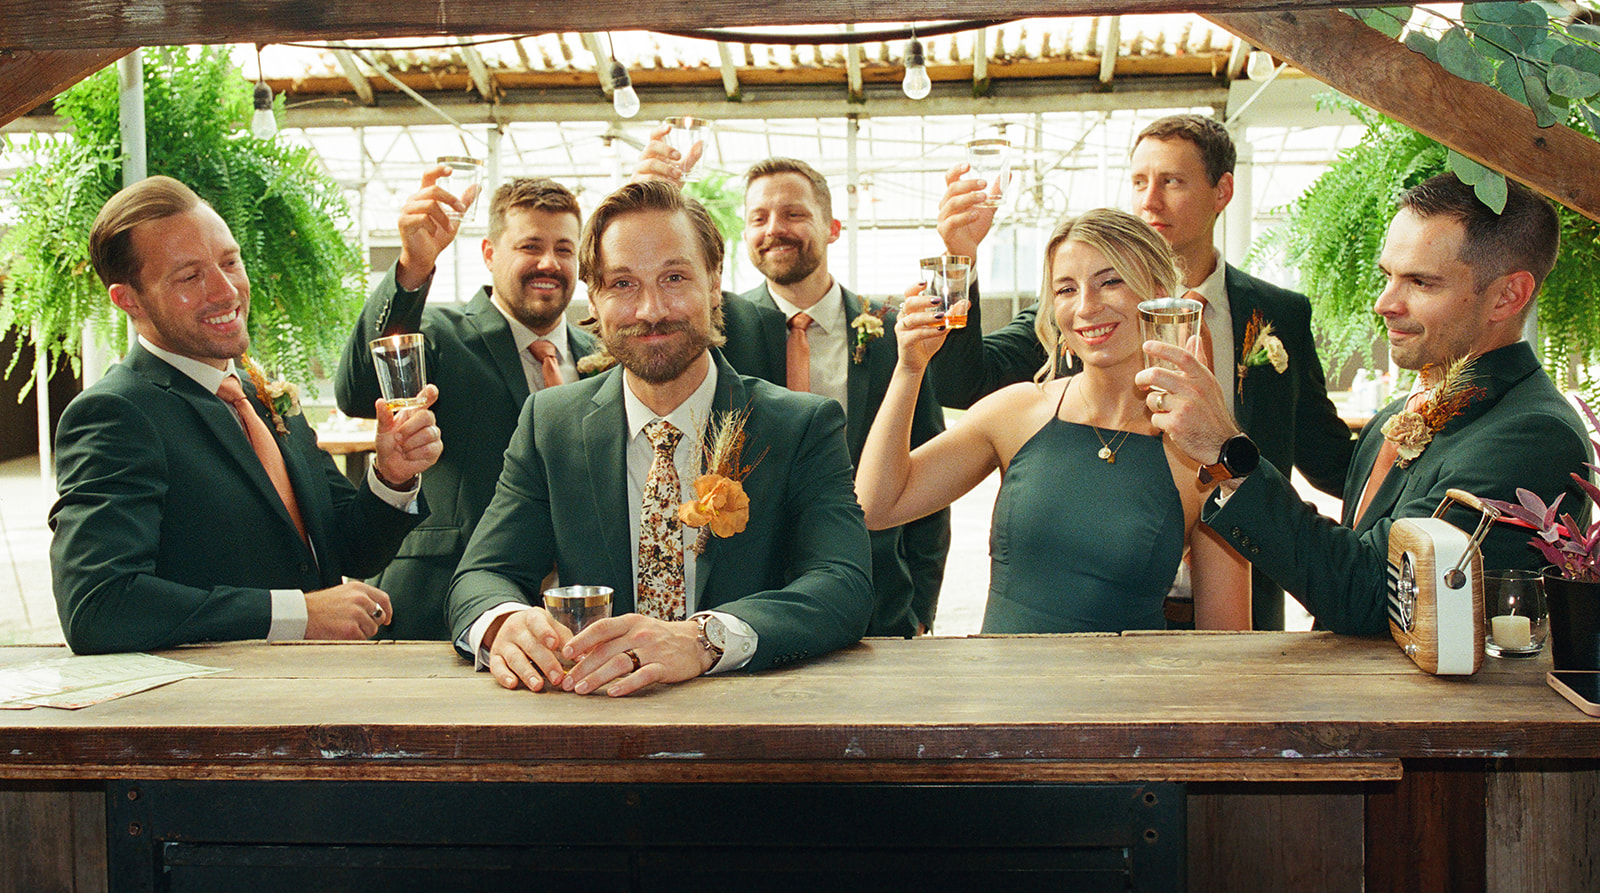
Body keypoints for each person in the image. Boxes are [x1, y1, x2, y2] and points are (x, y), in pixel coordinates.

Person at [446, 178, 874, 696]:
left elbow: (842, 585)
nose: (650, 310)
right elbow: (482, 574)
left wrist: (703, 640)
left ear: (714, 283)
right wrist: (503, 621)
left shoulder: (800, 426)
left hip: (754, 722)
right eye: (623, 284)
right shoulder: (550, 423)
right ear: (595, 297)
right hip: (595, 719)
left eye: (673, 277)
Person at [930, 114, 1352, 630]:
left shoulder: (1278, 314)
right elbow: (960, 382)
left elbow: (1326, 455)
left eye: (1171, 181)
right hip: (1102, 608)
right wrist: (958, 261)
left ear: (1223, 191)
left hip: (1238, 598)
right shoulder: (1084, 312)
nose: (1149, 200)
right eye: (1138, 182)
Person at [1142, 173, 1590, 635]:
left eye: (1420, 282)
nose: (1384, 302)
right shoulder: (1392, 418)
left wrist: (1228, 449)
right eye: (1388, 276)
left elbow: (1382, 597)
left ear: (1507, 296)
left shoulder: (1534, 437)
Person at [51, 175, 443, 654]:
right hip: (210, 713)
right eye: (189, 277)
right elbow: (98, 607)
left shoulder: (259, 395)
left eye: (229, 261)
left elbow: (345, 548)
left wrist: (392, 476)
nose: (225, 290)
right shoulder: (115, 414)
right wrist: (299, 613)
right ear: (127, 299)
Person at [858, 207, 1252, 634]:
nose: (1086, 306)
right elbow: (876, 507)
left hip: (1128, 697)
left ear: (1158, 293)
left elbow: (1227, 641)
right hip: (1005, 693)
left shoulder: (1202, 454)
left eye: (1110, 281)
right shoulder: (1016, 412)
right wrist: (909, 370)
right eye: (1066, 289)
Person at [632, 135, 949, 637]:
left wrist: (920, 607)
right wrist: (649, 196)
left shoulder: (891, 330)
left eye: (793, 214)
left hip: (878, 596)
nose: (774, 229)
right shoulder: (714, 327)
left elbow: (929, 465)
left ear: (832, 227)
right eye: (758, 218)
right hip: (748, 601)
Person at [335, 173, 596, 640]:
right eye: (530, 246)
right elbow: (357, 389)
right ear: (490, 254)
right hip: (436, 606)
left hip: (574, 617)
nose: (548, 263)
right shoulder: (438, 334)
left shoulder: (601, 356)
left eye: (564, 249)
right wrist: (414, 266)